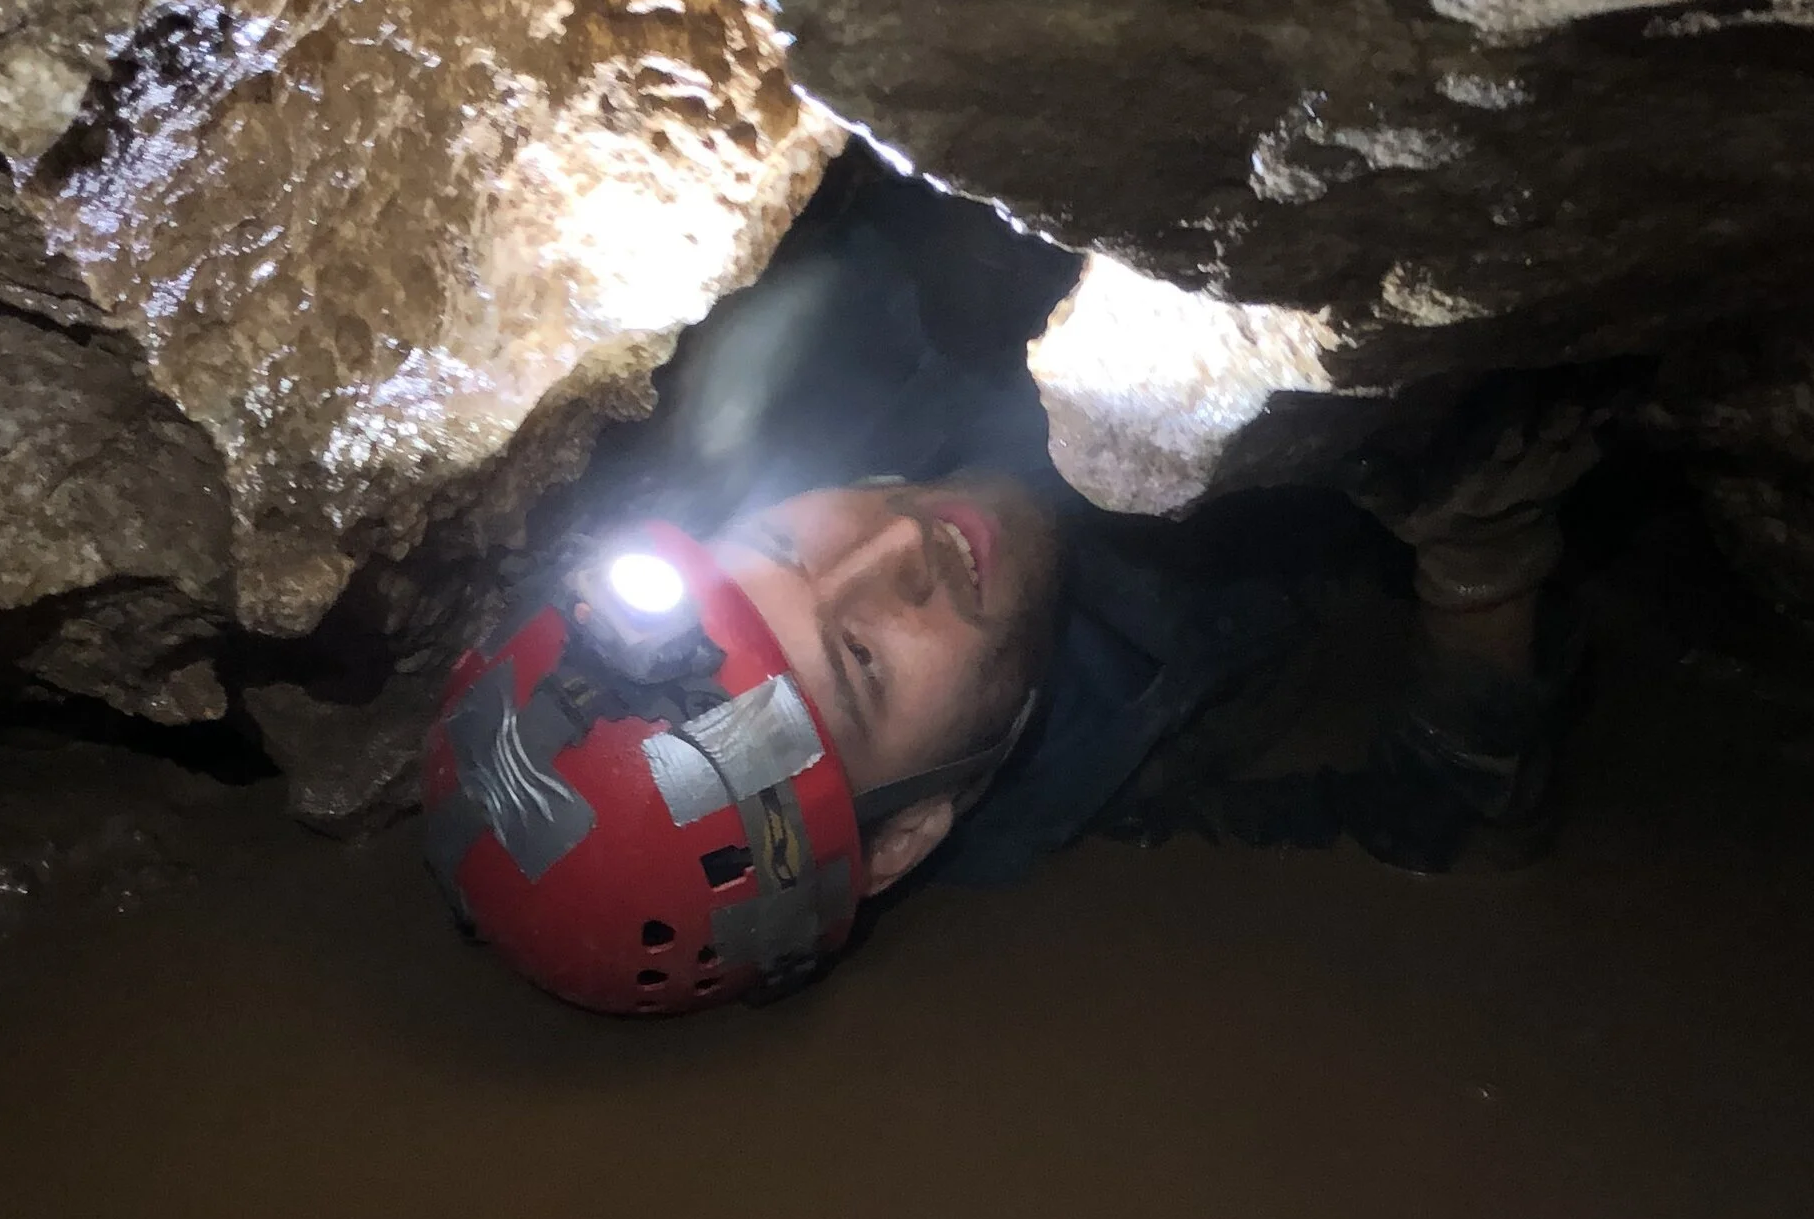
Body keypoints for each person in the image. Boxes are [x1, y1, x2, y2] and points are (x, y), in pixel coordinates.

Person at [424, 158, 1596, 1014]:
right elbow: (1453, 828)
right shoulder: (1103, 784)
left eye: (779, 550)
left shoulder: (769, 368)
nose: (895, 552)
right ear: (905, 840)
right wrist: (1481, 555)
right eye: (864, 662)